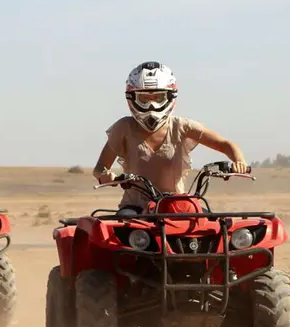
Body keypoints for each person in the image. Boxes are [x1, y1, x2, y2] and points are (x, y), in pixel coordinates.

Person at [92, 61, 250, 216]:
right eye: (144, 98)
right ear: (132, 97)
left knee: (212, 225)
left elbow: (224, 144)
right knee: (125, 226)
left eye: (158, 97)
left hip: (176, 205)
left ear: (170, 96)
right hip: (136, 207)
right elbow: (100, 167)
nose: (152, 105)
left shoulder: (181, 126)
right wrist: (105, 176)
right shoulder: (124, 127)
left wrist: (239, 161)